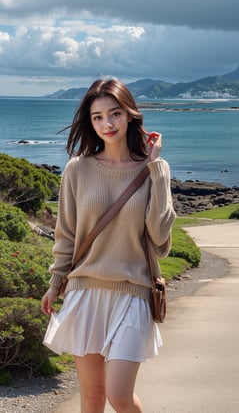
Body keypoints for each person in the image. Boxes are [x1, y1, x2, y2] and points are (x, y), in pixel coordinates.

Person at [41, 78, 176, 413]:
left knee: (119, 396)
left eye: (114, 113)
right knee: (92, 396)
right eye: (98, 117)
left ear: (129, 115)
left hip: (132, 291)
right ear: (90, 122)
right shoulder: (78, 169)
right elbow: (67, 233)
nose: (107, 124)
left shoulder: (153, 170)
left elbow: (160, 242)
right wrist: (56, 281)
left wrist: (156, 168)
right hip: (85, 290)